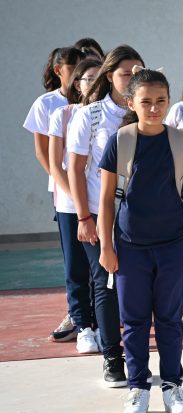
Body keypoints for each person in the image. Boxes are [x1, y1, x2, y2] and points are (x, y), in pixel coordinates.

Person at [98, 67, 183, 413]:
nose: (154, 108)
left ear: (169, 101)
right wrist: (106, 247)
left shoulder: (180, 142)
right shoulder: (121, 140)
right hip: (130, 247)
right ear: (132, 103)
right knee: (135, 321)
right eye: (146, 102)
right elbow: (105, 199)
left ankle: (173, 387)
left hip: (173, 245)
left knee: (170, 320)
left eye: (160, 101)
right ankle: (138, 389)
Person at [67, 45, 144, 388]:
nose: (131, 78)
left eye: (137, 71)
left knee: (140, 288)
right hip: (100, 214)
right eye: (125, 72)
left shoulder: (147, 111)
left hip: (141, 216)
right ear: (109, 75)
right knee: (106, 283)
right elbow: (76, 168)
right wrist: (84, 216)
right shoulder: (90, 115)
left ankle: (137, 356)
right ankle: (113, 359)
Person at [23, 46, 85, 342]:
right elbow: (42, 153)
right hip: (65, 193)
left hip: (94, 191)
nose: (80, 77)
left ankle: (101, 314)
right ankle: (76, 314)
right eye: (75, 69)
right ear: (59, 69)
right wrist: (67, 187)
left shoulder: (92, 103)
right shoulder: (47, 104)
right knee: (72, 256)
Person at [47, 58, 102, 350]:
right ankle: (83, 325)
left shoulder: (110, 114)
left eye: (98, 77)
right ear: (76, 84)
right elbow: (57, 165)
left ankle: (103, 322)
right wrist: (77, 199)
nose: (93, 84)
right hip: (72, 206)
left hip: (105, 205)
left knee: (102, 269)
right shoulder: (63, 115)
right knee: (76, 268)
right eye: (88, 78)